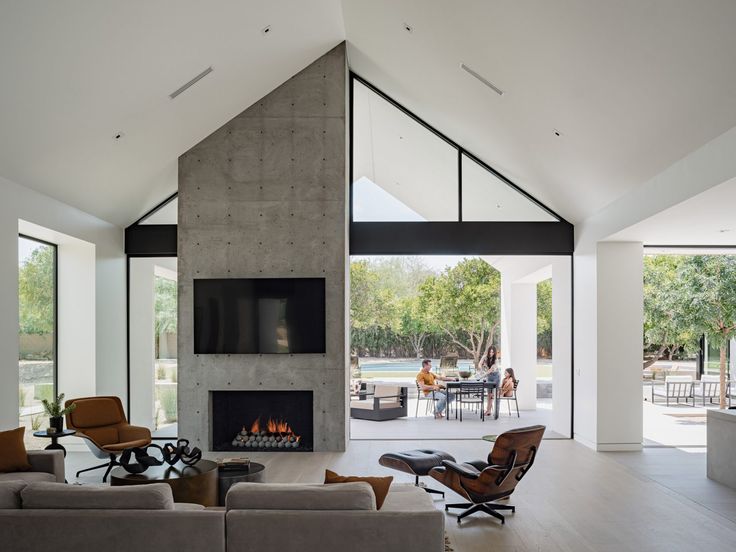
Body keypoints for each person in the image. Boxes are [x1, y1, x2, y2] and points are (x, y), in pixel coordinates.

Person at [477, 346, 500, 416]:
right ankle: (488, 410)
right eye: (490, 352)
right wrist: (481, 369)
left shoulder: (496, 360)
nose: (491, 353)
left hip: (496, 377)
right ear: (488, 351)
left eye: (493, 352)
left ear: (494, 353)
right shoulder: (484, 357)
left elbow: (490, 371)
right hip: (489, 377)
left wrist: (481, 376)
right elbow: (479, 364)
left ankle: (495, 412)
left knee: (494, 395)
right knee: (489, 394)